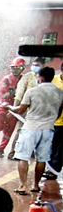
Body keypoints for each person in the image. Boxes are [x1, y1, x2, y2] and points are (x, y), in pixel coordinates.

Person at [6, 66, 63, 195]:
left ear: (40, 77)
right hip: (48, 129)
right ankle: (36, 186)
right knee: (41, 159)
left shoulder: (32, 91)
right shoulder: (60, 92)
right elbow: (59, 111)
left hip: (30, 128)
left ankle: (23, 186)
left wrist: (8, 107)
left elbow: (20, 110)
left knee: (23, 157)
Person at [0, 57, 25, 158]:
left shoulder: (24, 79)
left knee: (9, 131)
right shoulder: (6, 79)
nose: (15, 70)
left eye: (17, 68)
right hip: (3, 108)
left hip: (15, 109)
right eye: (13, 68)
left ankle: (1, 149)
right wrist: (10, 108)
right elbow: (3, 96)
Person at [7, 57, 44, 159]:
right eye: (34, 65)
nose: (35, 67)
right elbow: (19, 94)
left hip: (39, 111)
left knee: (35, 132)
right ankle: (13, 152)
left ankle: (30, 151)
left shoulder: (44, 77)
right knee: (20, 131)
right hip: (25, 110)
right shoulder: (27, 77)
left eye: (38, 65)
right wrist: (14, 109)